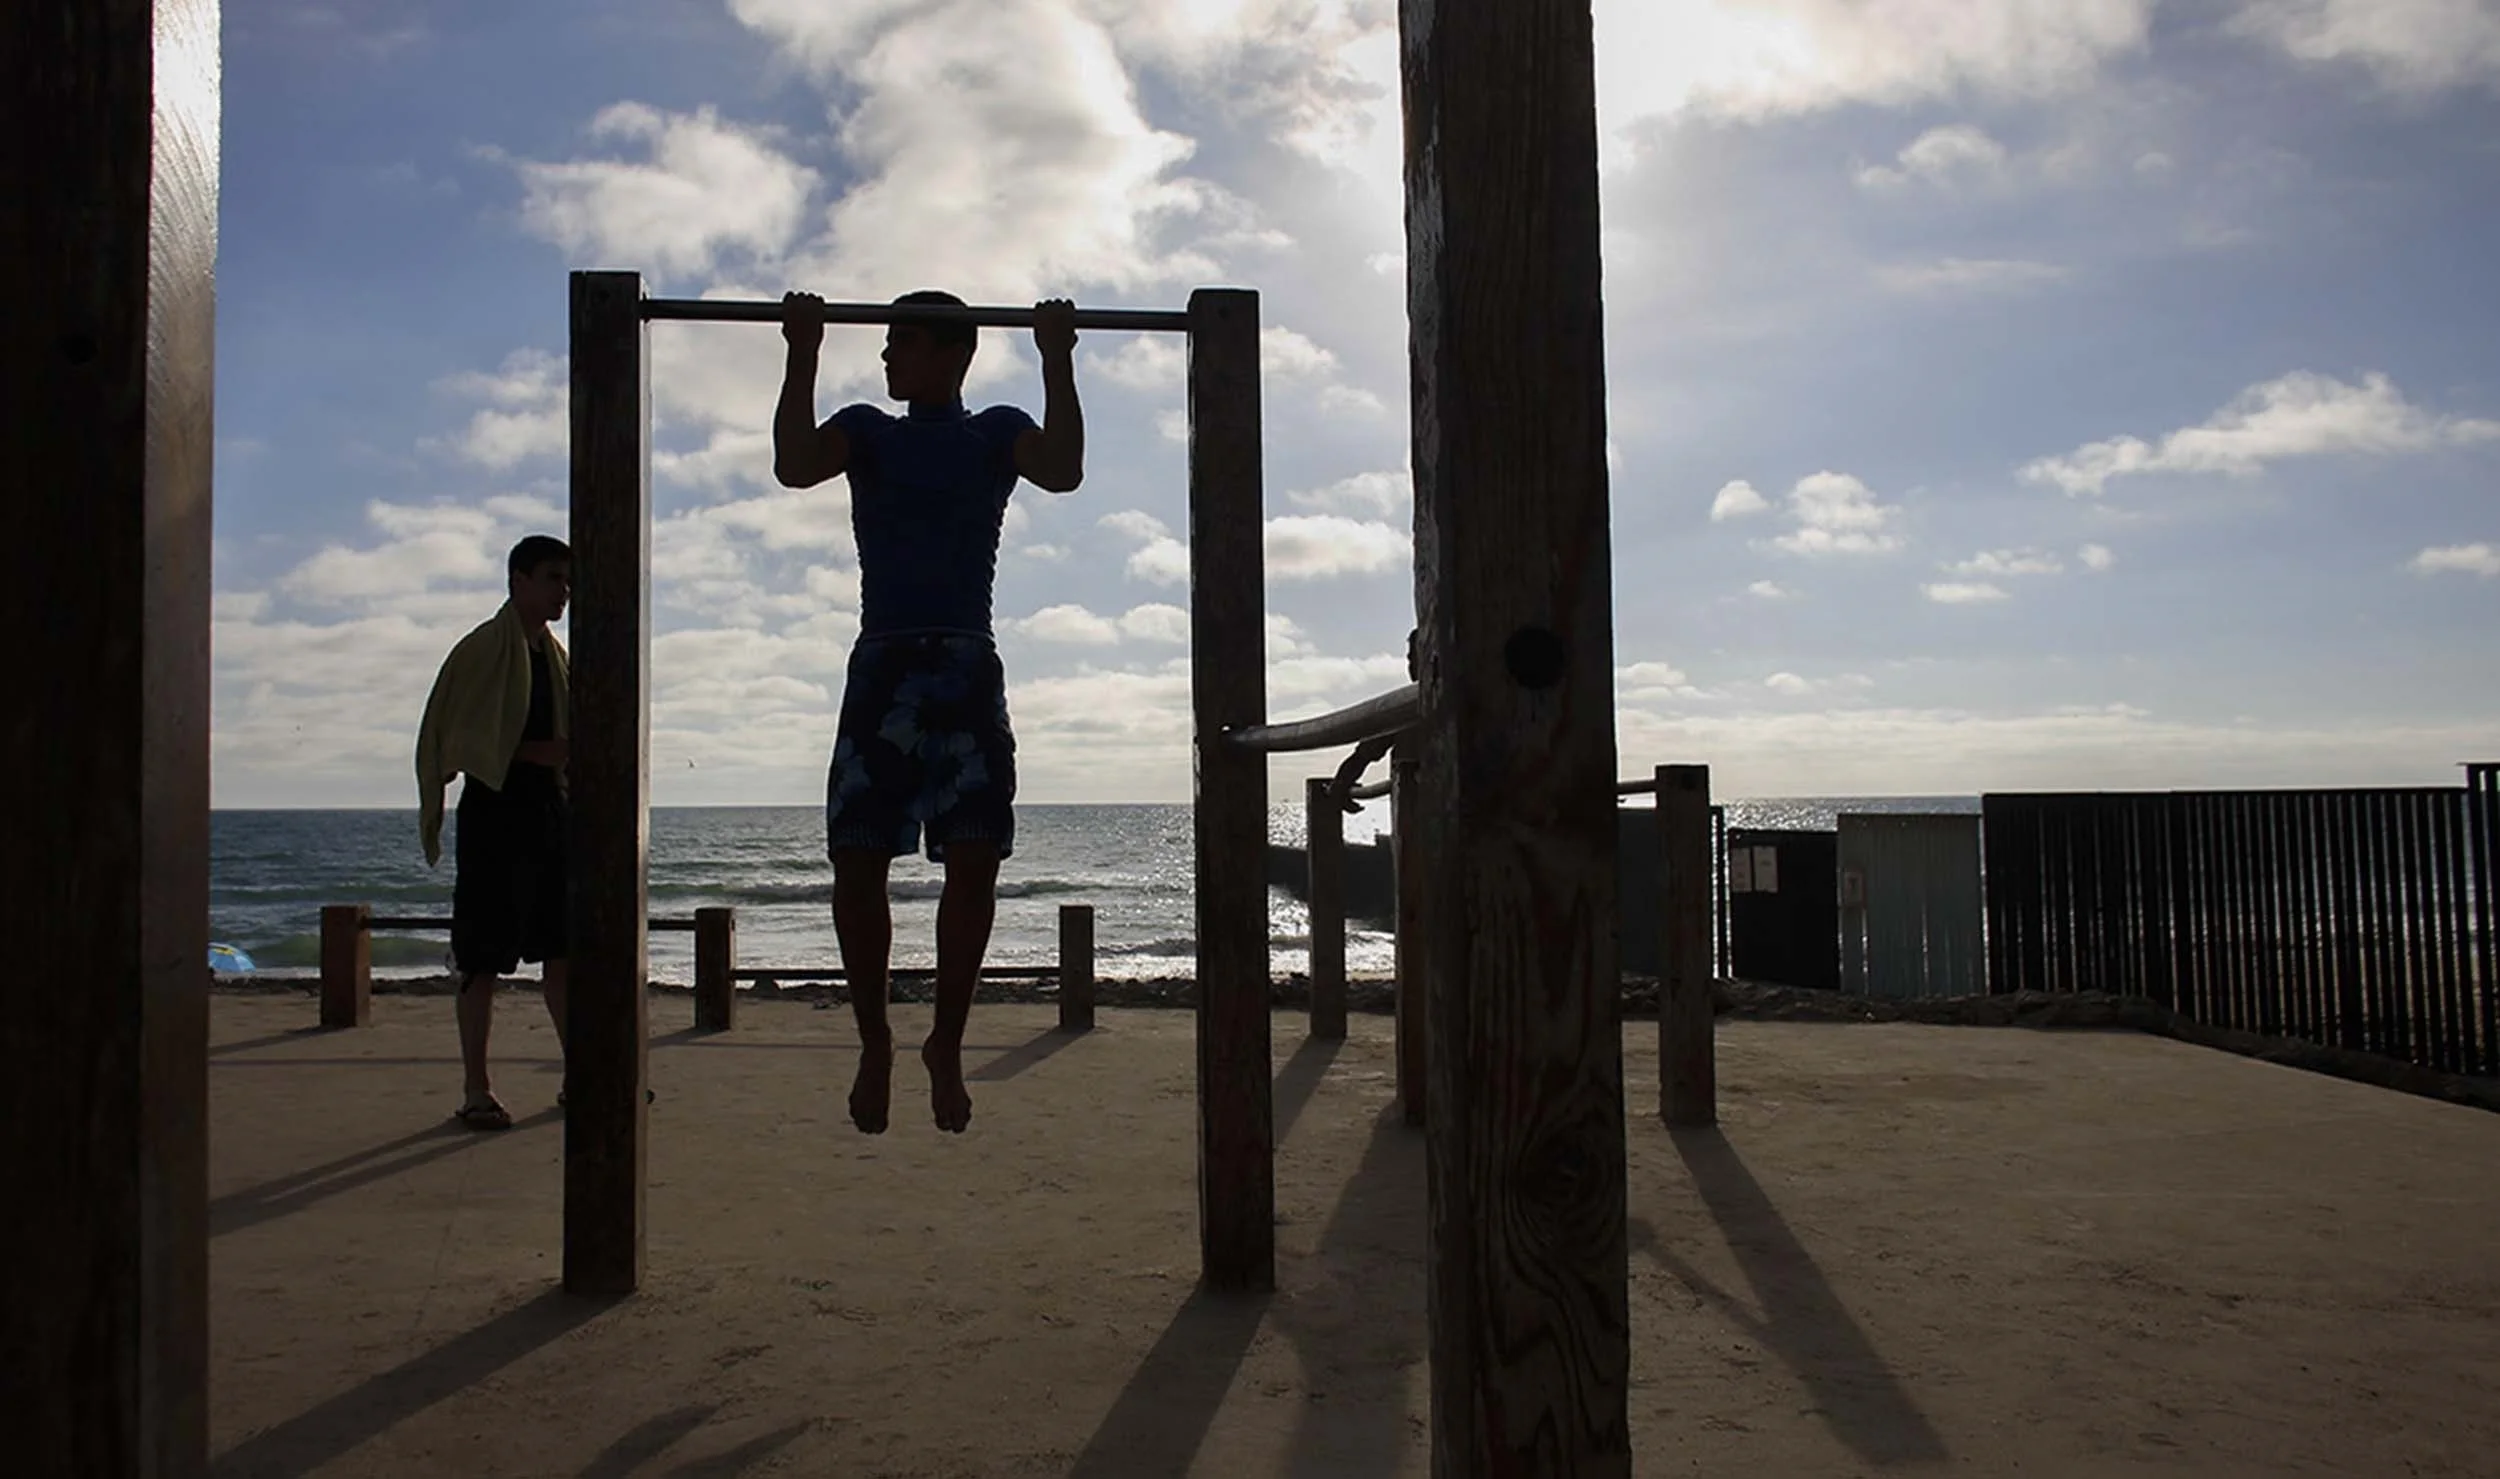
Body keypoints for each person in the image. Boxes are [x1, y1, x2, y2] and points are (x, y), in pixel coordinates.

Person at [774, 289, 1085, 1134]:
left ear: (953, 355)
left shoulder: (993, 432)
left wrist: (1058, 354)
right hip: (884, 660)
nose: (885, 357)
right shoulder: (869, 429)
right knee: (859, 859)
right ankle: (874, 1039)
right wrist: (801, 349)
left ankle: (945, 1042)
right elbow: (795, 463)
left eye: (901, 343)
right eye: (884, 344)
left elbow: (1063, 467)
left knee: (975, 857)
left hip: (962, 660)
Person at [414, 535, 573, 1130]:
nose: (563, 592)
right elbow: (467, 744)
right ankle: (475, 1090)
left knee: (563, 953)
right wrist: (547, 753)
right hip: (495, 821)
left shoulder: (554, 658)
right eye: (553, 578)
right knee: (482, 960)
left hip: (549, 817)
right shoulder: (483, 651)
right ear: (518, 581)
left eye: (567, 581)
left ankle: (578, 1073)